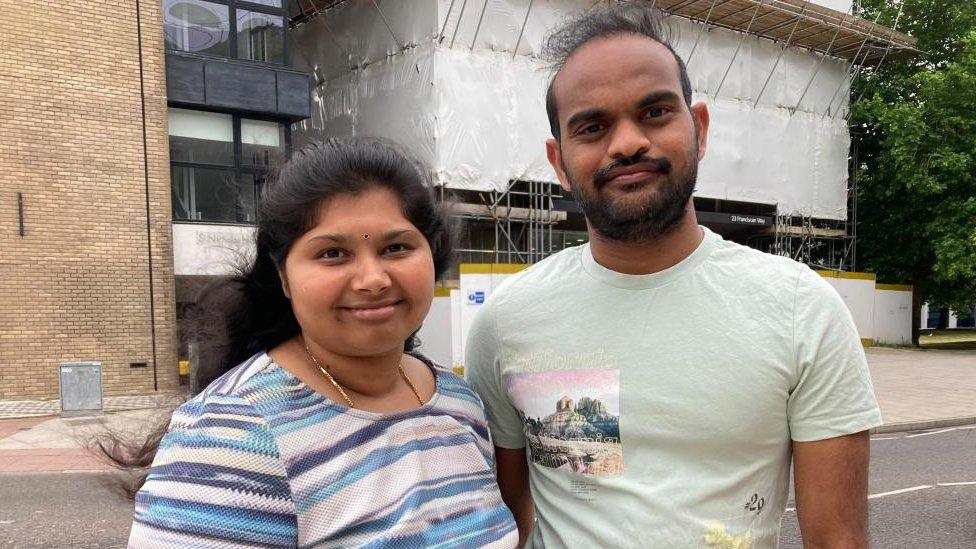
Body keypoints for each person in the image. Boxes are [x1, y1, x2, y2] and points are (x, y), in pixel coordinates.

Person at [465, 4, 882, 548]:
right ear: (559, 161)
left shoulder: (803, 310)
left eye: (656, 112)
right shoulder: (504, 323)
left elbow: (838, 540)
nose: (627, 143)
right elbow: (506, 526)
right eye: (592, 127)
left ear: (700, 128)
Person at [124, 138, 518, 548]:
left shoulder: (459, 403)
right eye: (333, 253)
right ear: (283, 277)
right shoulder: (231, 437)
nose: (373, 279)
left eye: (396, 247)